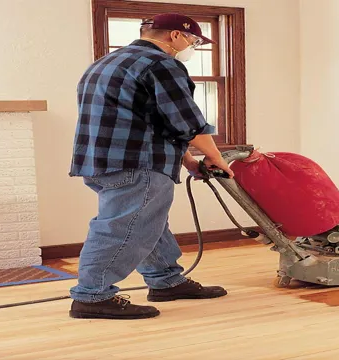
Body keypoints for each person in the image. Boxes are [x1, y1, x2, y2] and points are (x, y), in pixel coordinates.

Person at [67, 13, 234, 320]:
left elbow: (152, 118)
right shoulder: (162, 64)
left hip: (100, 159)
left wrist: (187, 159)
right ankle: (92, 296)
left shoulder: (107, 62)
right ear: (175, 36)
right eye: (194, 41)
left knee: (145, 220)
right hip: (137, 160)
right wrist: (216, 157)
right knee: (122, 226)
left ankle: (166, 280)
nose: (192, 47)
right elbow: (188, 121)